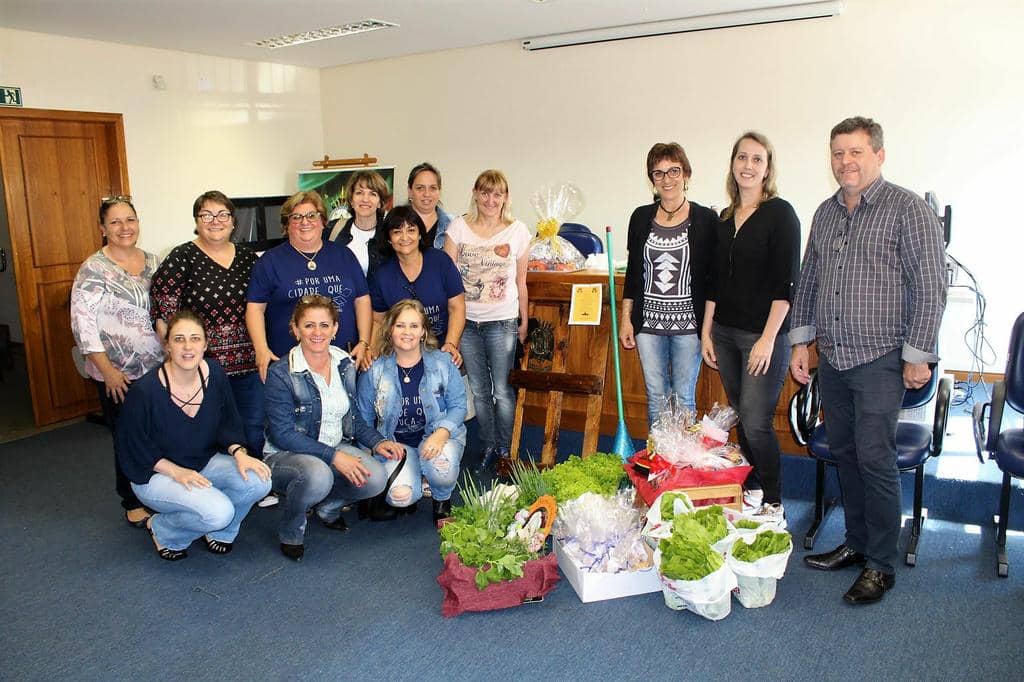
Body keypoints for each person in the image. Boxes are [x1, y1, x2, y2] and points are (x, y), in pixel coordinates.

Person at [790, 116, 946, 604]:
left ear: (879, 155)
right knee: (848, 454)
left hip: (882, 357)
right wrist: (801, 343)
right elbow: (809, 280)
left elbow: (930, 286)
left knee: (876, 458)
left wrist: (918, 355)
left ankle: (881, 564)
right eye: (838, 153)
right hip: (834, 357)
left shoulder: (908, 210)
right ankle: (856, 544)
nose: (845, 162)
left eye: (855, 152)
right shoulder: (826, 212)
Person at [149, 191, 276, 506]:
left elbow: (262, 306)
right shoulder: (182, 258)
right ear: (196, 221)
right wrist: (176, 358)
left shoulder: (248, 258)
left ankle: (254, 480)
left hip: (249, 360)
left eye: (223, 214)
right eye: (207, 214)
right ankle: (215, 485)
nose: (215, 221)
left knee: (252, 423)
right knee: (209, 427)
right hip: (203, 366)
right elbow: (163, 311)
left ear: (233, 221)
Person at [701, 132, 801, 524]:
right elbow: (714, 283)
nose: (748, 165)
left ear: (767, 168)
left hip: (764, 337)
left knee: (758, 421)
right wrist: (707, 331)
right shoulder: (724, 220)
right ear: (733, 164)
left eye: (756, 159)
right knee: (742, 415)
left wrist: (768, 339)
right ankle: (753, 488)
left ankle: (775, 500)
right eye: (741, 157)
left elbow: (786, 285)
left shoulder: (781, 214)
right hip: (724, 334)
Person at [116, 310, 271, 561]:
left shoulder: (214, 373)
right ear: (167, 346)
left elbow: (227, 421)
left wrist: (239, 453)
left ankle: (221, 532)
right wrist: (176, 472)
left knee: (259, 480)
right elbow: (133, 448)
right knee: (218, 511)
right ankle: (164, 530)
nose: (188, 347)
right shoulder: (145, 391)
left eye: (195, 339)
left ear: (206, 344)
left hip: (202, 462)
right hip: (155, 474)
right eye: (179, 339)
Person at [263, 295, 389, 561]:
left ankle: (328, 507)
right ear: (295, 329)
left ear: (335, 328)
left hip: (333, 446)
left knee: (376, 477)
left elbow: (353, 419)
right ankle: (291, 531)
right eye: (309, 325)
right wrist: (334, 457)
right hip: (285, 455)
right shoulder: (281, 373)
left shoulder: (344, 363)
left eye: (324, 325)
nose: (317, 332)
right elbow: (282, 434)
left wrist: (377, 442)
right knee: (318, 475)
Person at [70, 195, 164, 528]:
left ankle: (160, 492)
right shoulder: (93, 269)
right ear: (103, 228)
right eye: (115, 222)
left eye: (130, 220)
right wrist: (108, 371)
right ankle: (131, 499)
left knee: (160, 433)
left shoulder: (154, 262)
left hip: (159, 369)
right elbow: (84, 324)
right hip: (117, 373)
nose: (125, 228)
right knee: (128, 435)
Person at [620, 142, 717, 427]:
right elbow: (634, 274)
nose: (667, 179)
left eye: (673, 170)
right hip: (648, 325)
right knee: (656, 398)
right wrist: (626, 319)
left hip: (689, 325)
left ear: (686, 174)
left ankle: (681, 468)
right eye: (659, 173)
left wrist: (708, 328)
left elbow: (713, 280)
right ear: (652, 180)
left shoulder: (706, 220)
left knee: (684, 398)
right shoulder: (640, 218)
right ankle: (659, 467)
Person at [443, 170, 530, 473]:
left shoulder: (517, 231)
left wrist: (524, 320)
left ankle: (507, 448)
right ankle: (489, 444)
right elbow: (447, 279)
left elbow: (521, 281)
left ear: (505, 197)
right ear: (476, 193)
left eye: (498, 194)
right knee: (479, 391)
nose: (491, 200)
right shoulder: (458, 229)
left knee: (503, 390)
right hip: (467, 324)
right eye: (485, 192)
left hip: (502, 322)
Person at [357, 299, 467, 523]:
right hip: (397, 444)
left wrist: (441, 433)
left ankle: (441, 499)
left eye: (414, 326)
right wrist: (369, 458)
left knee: (441, 470)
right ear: (390, 330)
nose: (407, 332)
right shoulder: (375, 369)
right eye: (400, 326)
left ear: (423, 332)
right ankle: (413, 475)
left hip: (435, 438)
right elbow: (363, 416)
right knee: (401, 497)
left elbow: (458, 406)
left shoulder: (443, 362)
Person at [246, 190, 373, 376]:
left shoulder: (344, 256)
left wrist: (364, 342)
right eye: (296, 217)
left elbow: (362, 299)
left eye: (312, 215)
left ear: (323, 221)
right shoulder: (269, 261)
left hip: (344, 362)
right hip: (291, 366)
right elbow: (255, 309)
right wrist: (261, 349)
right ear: (286, 225)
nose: (305, 222)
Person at [369, 205, 465, 363]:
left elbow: (457, 306)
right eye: (397, 232)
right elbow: (378, 321)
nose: (405, 237)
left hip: (441, 351)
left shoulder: (440, 262)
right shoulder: (382, 275)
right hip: (400, 355)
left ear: (420, 234)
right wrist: (372, 352)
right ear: (388, 239)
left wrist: (451, 344)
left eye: (411, 230)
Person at [325, 170, 390, 276]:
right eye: (359, 193)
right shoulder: (333, 229)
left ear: (380, 202)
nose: (365, 199)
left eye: (372, 194)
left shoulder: (390, 233)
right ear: (351, 200)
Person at [407, 162, 452, 249]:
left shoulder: (452, 226)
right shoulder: (394, 223)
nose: (427, 194)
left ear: (439, 191)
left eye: (433, 188)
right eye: (420, 188)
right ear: (410, 191)